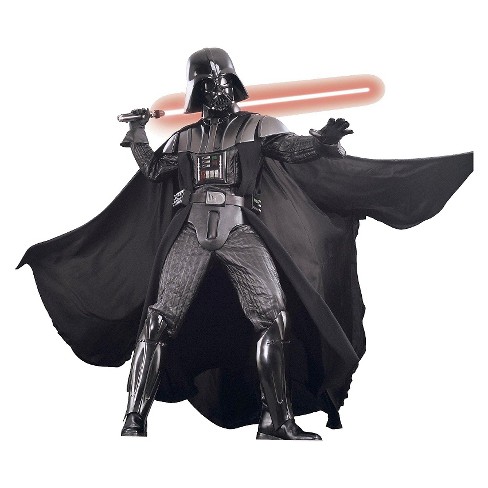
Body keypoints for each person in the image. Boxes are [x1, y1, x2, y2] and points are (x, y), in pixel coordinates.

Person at [18, 47, 472, 441]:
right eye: (207, 84)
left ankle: (276, 420)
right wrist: (137, 133)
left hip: (239, 229)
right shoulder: (184, 136)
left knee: (273, 319)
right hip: (191, 229)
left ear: (233, 85)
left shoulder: (259, 125)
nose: (216, 91)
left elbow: (289, 150)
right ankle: (134, 418)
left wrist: (321, 142)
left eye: (222, 83)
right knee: (157, 321)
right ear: (198, 91)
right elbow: (155, 171)